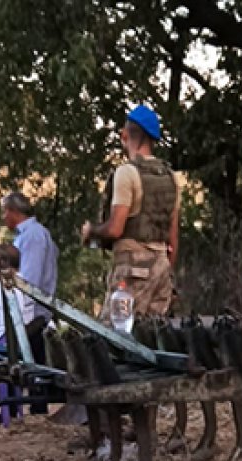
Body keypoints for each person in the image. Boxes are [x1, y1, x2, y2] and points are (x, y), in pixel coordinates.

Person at [80, 104, 182, 317]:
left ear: (124, 135)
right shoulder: (172, 178)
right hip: (162, 270)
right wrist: (165, 273)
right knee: (151, 339)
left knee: (112, 337)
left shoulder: (127, 173)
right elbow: (173, 240)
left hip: (132, 271)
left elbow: (116, 228)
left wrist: (92, 231)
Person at [3, 190, 58, 414]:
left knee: (34, 363)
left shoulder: (33, 236)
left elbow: (29, 281)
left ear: (14, 212)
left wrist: (23, 316)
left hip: (34, 311)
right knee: (34, 362)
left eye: (5, 212)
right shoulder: (32, 234)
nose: (3, 218)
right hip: (36, 309)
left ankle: (36, 409)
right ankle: (31, 407)